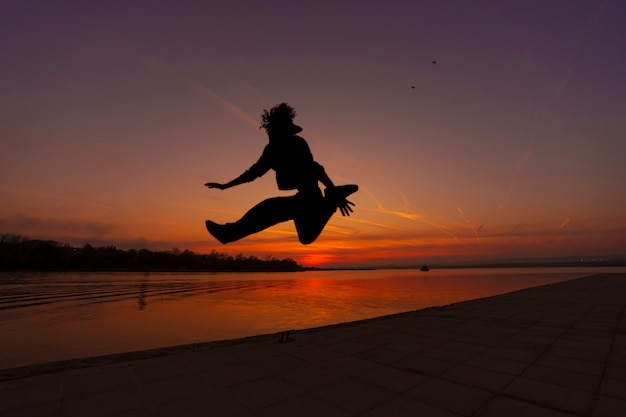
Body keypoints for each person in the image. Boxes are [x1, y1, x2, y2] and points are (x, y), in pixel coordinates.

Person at [204, 103, 357, 245]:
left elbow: (315, 169)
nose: (269, 135)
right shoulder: (271, 151)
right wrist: (226, 186)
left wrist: (334, 191)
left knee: (269, 208)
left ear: (281, 131)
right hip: (304, 198)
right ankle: (229, 234)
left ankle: (229, 233)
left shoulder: (296, 144)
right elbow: (252, 173)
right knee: (305, 237)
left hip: (310, 198)